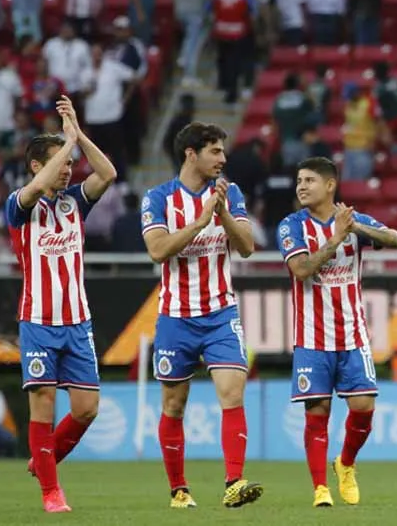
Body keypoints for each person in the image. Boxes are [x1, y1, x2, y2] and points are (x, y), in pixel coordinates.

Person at [141, 122, 261, 509]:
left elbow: (247, 247)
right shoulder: (158, 198)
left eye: (223, 151)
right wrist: (199, 222)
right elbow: (158, 250)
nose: (223, 158)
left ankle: (234, 482)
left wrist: (222, 214)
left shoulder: (230, 193)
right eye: (215, 151)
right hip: (176, 317)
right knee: (174, 405)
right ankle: (178, 489)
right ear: (191, 154)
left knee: (233, 392)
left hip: (220, 314)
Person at [6, 96, 118, 512]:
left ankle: (44, 460)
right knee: (43, 404)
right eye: (61, 162)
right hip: (38, 321)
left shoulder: (75, 202)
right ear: (37, 165)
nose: (69, 168)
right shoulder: (20, 204)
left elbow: (108, 173)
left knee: (87, 409)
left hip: (77, 322)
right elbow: (36, 188)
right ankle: (51, 493)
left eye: (70, 163)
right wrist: (66, 141)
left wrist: (78, 136)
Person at [276, 156, 397, 508]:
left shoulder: (353, 221)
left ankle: (345, 463)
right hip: (312, 337)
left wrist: (357, 229)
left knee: (364, 408)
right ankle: (320, 488)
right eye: (299, 181)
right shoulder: (291, 226)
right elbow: (302, 269)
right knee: (317, 411)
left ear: (330, 185)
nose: (301, 187)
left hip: (353, 335)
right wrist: (334, 240)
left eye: (309, 180)